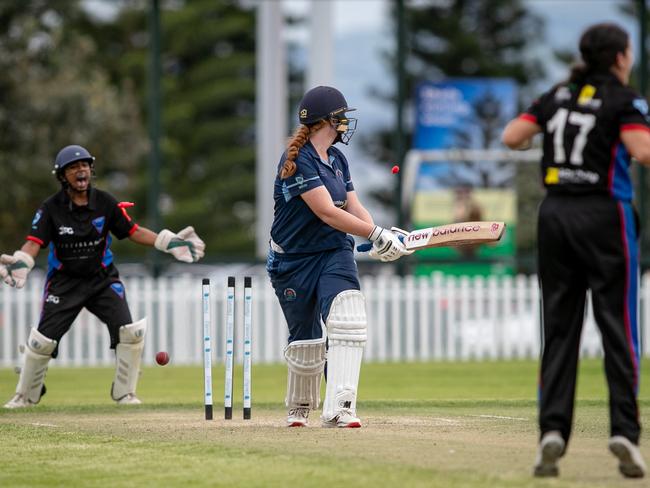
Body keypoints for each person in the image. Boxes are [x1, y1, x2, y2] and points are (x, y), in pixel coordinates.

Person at [502, 23, 650, 478]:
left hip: (555, 216)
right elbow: (642, 151)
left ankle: (552, 432)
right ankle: (624, 430)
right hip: (605, 215)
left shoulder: (558, 93)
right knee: (618, 326)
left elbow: (512, 136)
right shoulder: (624, 100)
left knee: (561, 330)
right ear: (621, 58)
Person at [2, 144, 206, 408]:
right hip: (64, 282)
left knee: (130, 333)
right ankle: (26, 395)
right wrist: (23, 261)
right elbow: (34, 242)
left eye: (85, 165)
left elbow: (133, 231)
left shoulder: (105, 202)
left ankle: (125, 393)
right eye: (73, 167)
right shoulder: (51, 208)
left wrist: (169, 243)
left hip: (102, 280)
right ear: (62, 176)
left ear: (91, 170)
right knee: (42, 343)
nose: (81, 170)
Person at [267, 86, 410, 428]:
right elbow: (327, 212)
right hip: (293, 260)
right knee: (306, 339)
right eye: (341, 116)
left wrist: (379, 236)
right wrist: (374, 234)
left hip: (333, 252)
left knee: (348, 317)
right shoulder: (298, 159)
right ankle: (300, 406)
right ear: (326, 120)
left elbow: (353, 205)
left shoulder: (337, 158)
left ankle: (340, 407)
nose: (346, 122)